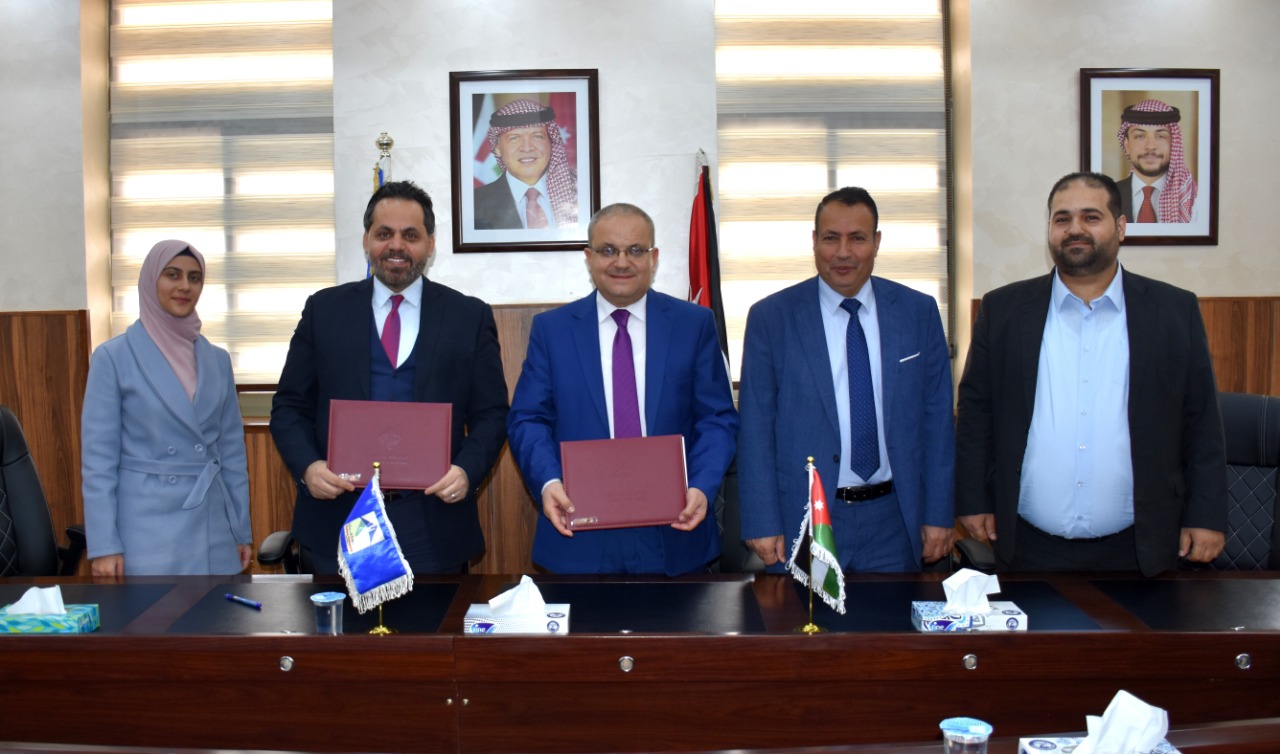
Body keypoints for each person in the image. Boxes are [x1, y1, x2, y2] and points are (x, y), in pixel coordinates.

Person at [955, 171, 1226, 576]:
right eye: (1062, 218)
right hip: (1026, 546)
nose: (1074, 229)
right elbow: (976, 413)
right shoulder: (1004, 310)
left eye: (1091, 217)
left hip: (1143, 546)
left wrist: (1206, 515)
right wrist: (973, 499)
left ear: (1121, 227)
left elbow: (1201, 419)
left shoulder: (1173, 310)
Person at [271, 180, 509, 574]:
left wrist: (466, 472)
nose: (396, 246)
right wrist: (309, 467)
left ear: (430, 244)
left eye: (410, 235)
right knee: (341, 619)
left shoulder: (468, 316)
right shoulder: (324, 311)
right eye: (384, 234)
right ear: (366, 240)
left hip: (432, 523)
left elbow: (493, 413)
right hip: (339, 518)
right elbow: (289, 407)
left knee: (434, 618)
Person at [506, 203, 738, 575]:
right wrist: (548, 482)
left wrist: (701, 485)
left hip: (676, 532)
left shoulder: (693, 325)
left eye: (635, 250)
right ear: (589, 257)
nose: (622, 262)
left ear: (654, 257)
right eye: (608, 250)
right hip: (577, 534)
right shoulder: (552, 330)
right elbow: (527, 420)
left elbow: (718, 419)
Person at [737, 187, 955, 573]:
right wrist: (761, 520)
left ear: (876, 242)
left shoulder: (918, 312)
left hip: (895, 520)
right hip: (805, 519)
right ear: (814, 241)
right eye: (830, 238)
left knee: (892, 616)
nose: (843, 252)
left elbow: (938, 422)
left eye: (857, 238)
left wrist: (938, 514)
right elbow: (755, 427)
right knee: (803, 615)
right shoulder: (771, 318)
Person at [82, 240, 252, 576]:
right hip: (144, 532)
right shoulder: (112, 357)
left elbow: (232, 454)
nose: (184, 286)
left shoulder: (218, 360)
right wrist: (104, 545)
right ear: (150, 280)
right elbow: (98, 461)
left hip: (213, 528)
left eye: (194, 277)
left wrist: (239, 530)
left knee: (218, 610)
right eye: (172, 275)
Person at [474, 98, 578, 231]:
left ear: (551, 143)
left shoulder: (580, 192)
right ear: (498, 149)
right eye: (514, 138)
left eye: (537, 136)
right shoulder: (475, 203)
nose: (527, 148)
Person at [1115, 99, 1199, 223]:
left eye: (1161, 136)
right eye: (1140, 136)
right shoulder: (1107, 195)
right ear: (1127, 145)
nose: (1150, 146)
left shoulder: (1196, 200)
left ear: (1174, 144)